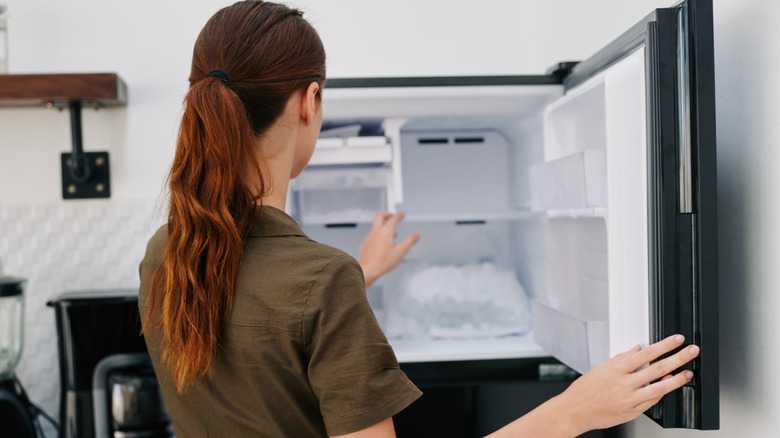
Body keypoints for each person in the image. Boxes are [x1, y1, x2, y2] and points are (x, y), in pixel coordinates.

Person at [138, 2, 700, 437]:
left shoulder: (166, 251)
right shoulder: (320, 281)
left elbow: (266, 321)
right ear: (309, 102)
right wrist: (574, 410)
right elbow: (292, 304)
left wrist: (359, 272)